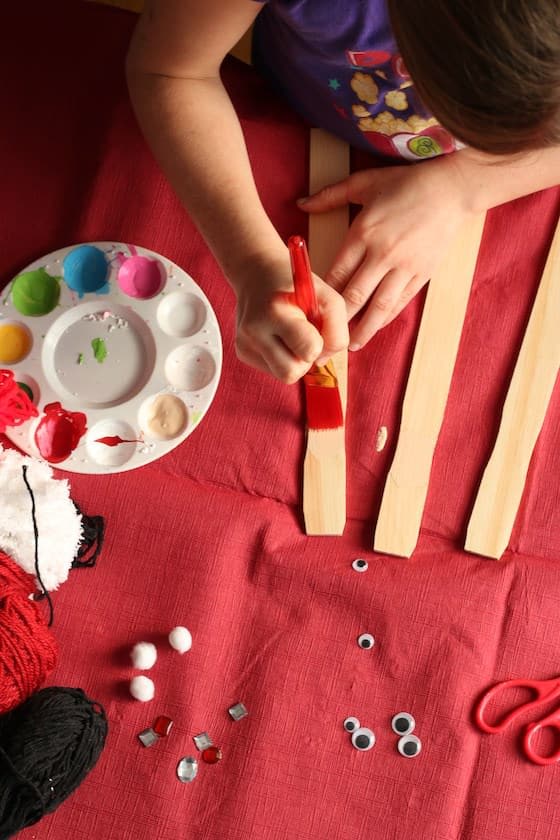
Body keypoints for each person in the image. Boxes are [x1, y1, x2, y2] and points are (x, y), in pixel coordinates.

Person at [126, 0, 560, 383]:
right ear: (407, 65)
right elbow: (171, 71)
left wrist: (466, 184)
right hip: (289, 99)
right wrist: (252, 260)